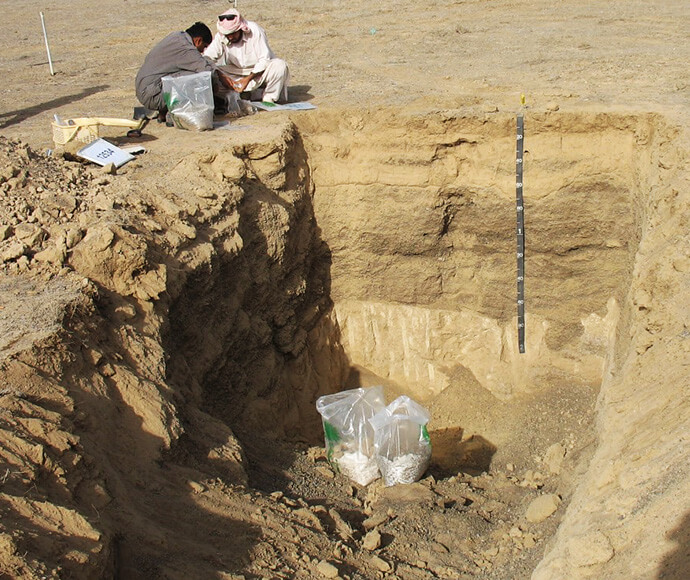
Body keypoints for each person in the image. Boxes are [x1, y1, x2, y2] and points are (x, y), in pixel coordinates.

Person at [135, 22, 233, 120]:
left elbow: (203, 61)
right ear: (198, 41)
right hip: (152, 96)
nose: (202, 51)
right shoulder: (185, 48)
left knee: (195, 69)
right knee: (198, 78)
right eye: (204, 47)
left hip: (146, 88)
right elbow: (206, 71)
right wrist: (216, 82)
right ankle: (174, 114)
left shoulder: (177, 36)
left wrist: (217, 72)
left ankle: (164, 111)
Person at [203, 9, 289, 103]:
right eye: (228, 35)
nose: (230, 37)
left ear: (240, 29)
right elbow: (207, 58)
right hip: (235, 72)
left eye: (233, 34)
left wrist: (247, 79)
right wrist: (222, 76)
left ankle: (268, 99)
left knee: (279, 66)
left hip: (258, 71)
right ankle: (248, 95)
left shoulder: (255, 30)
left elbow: (264, 59)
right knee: (210, 73)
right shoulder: (222, 35)